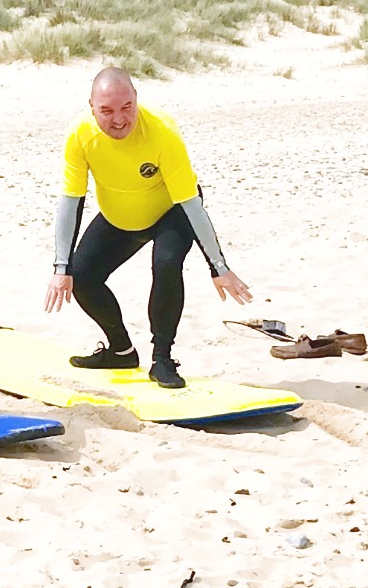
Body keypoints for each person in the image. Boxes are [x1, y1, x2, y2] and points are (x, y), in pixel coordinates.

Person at [43, 66, 254, 391]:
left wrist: (219, 266)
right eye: (107, 111)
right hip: (121, 216)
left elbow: (191, 205)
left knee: (166, 262)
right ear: (91, 107)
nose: (118, 119)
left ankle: (163, 359)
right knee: (82, 276)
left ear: (136, 100)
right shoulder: (79, 135)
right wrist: (61, 266)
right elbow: (71, 201)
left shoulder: (161, 132)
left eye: (127, 108)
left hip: (173, 212)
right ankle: (121, 350)